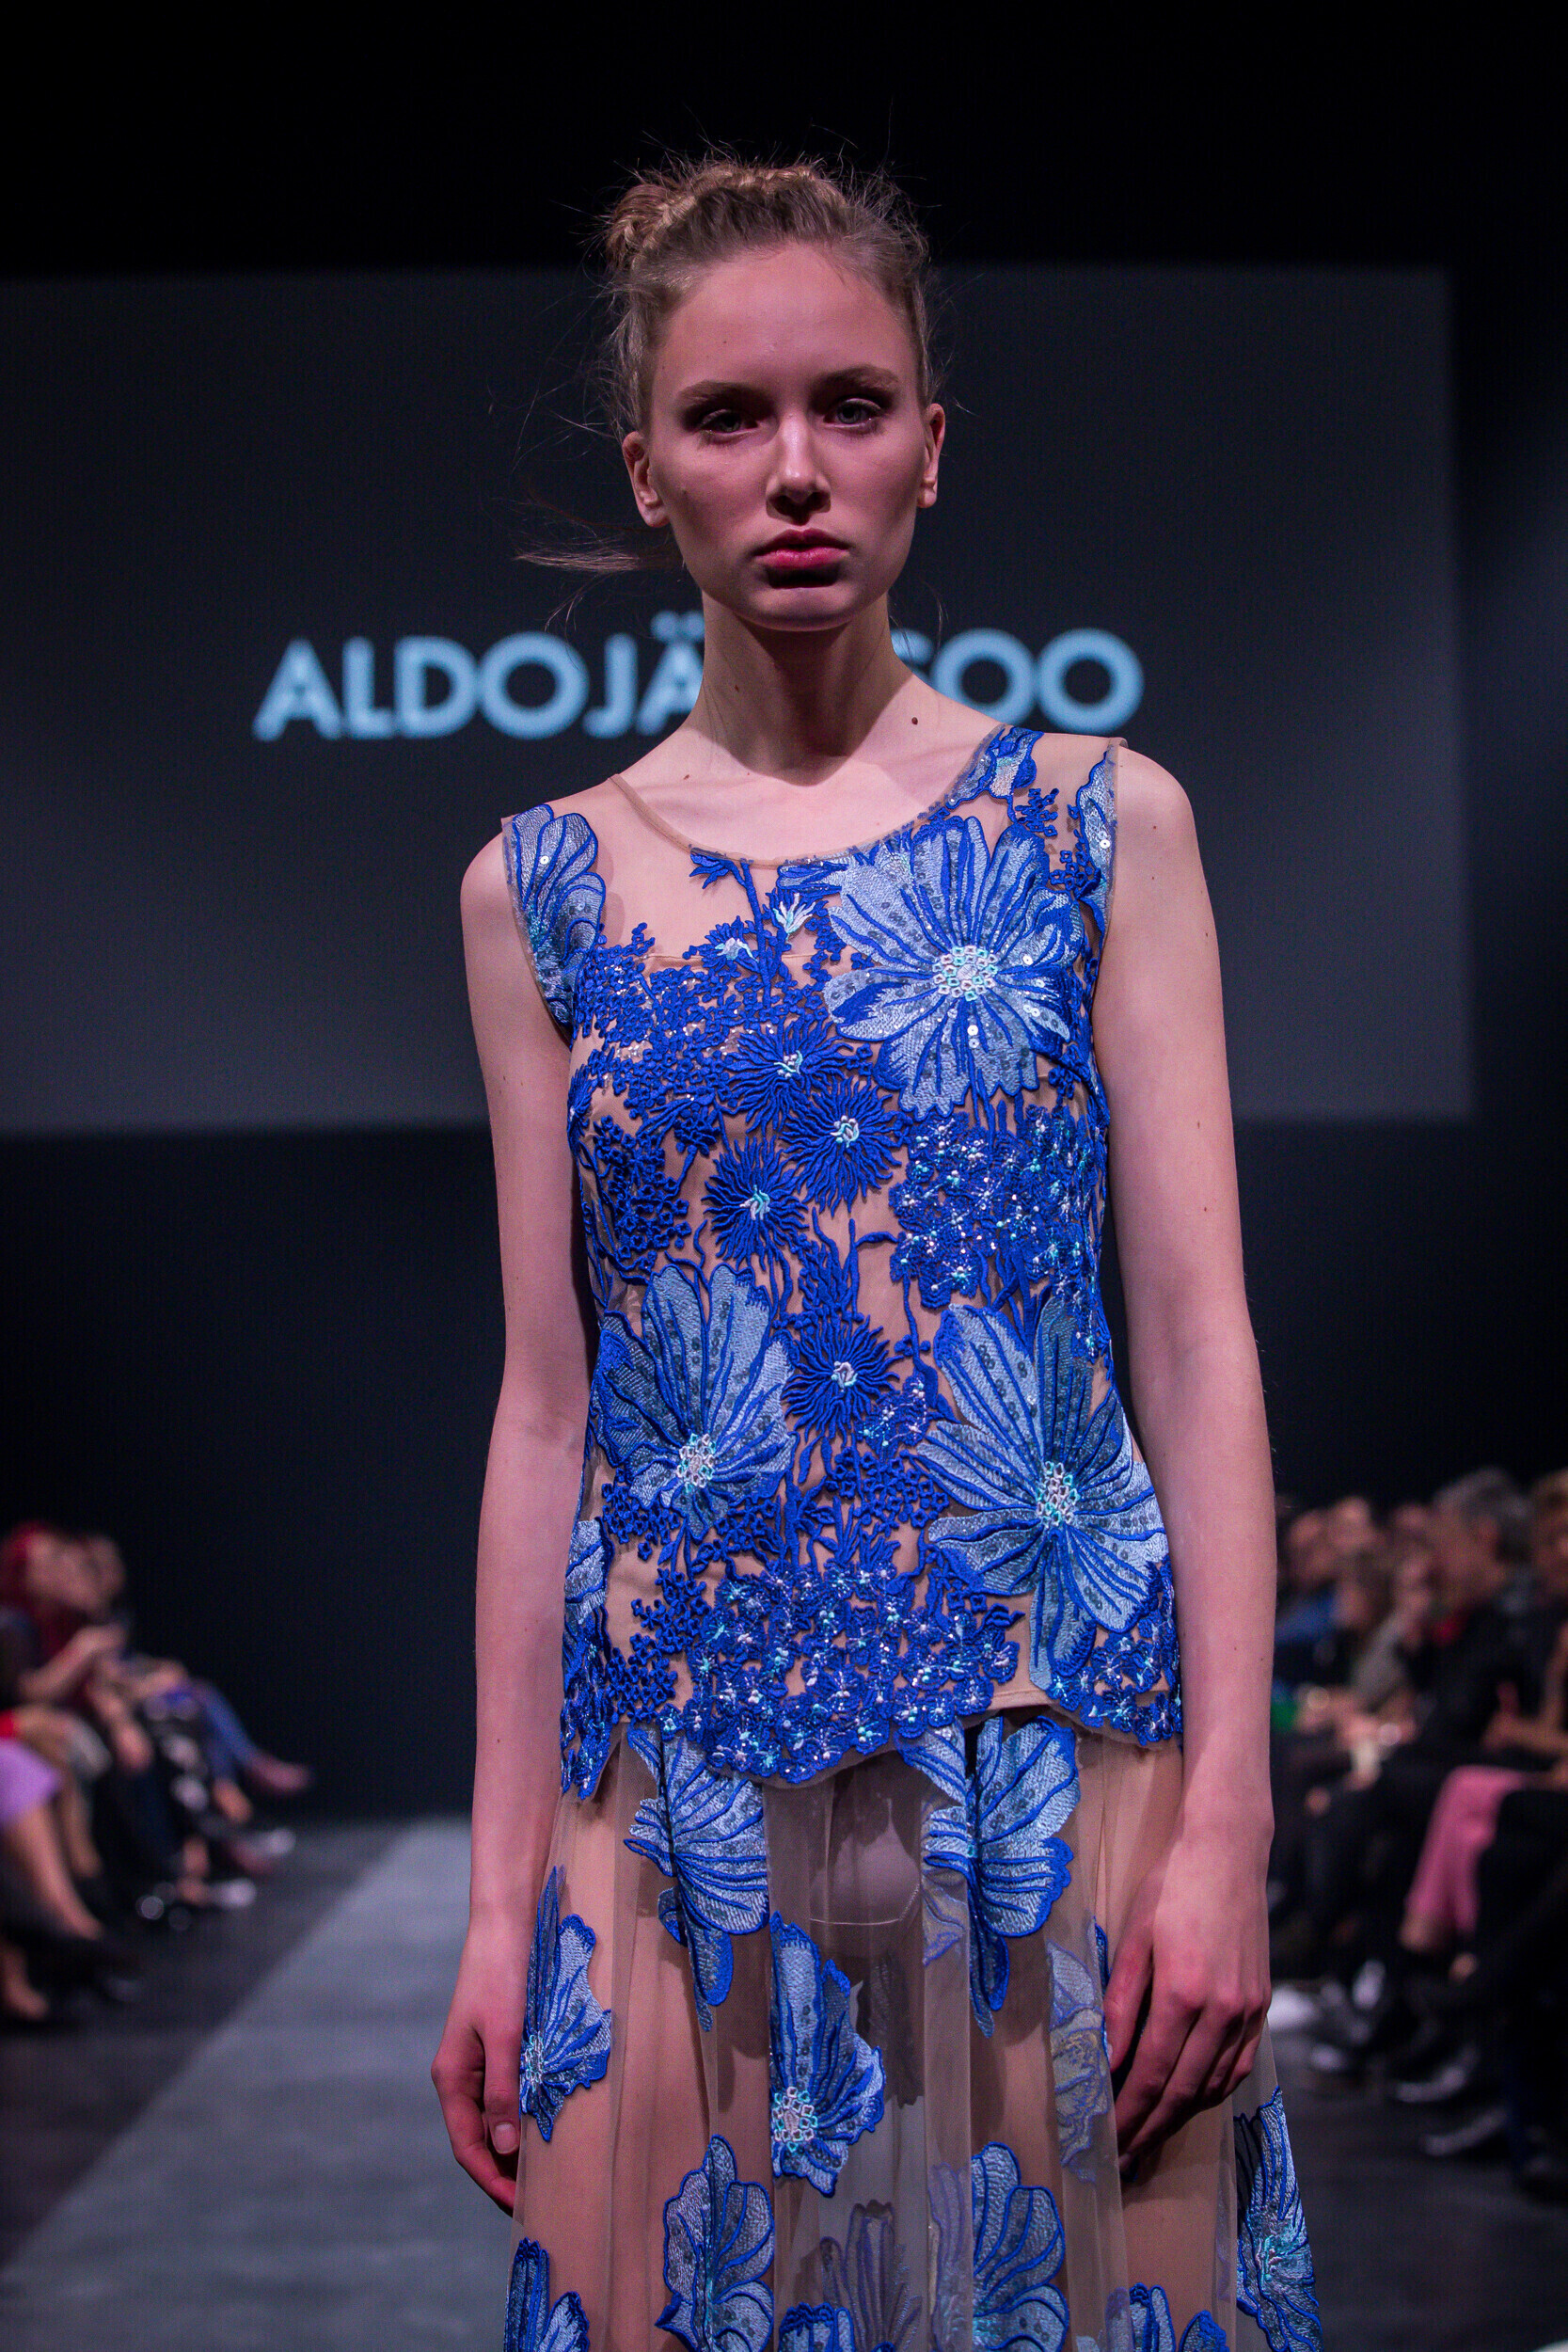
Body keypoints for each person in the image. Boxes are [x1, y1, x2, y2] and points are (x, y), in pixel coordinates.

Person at [433, 155, 1319, 2352]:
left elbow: (1199, 1337)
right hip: (675, 1794)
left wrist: (1234, 1815)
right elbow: (547, 1405)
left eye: (851, 403)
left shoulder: (1104, 822)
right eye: (730, 417)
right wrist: (494, 1898)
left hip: (1059, 1759)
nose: (798, 469)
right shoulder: (540, 886)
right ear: (649, 470)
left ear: (933, 441)